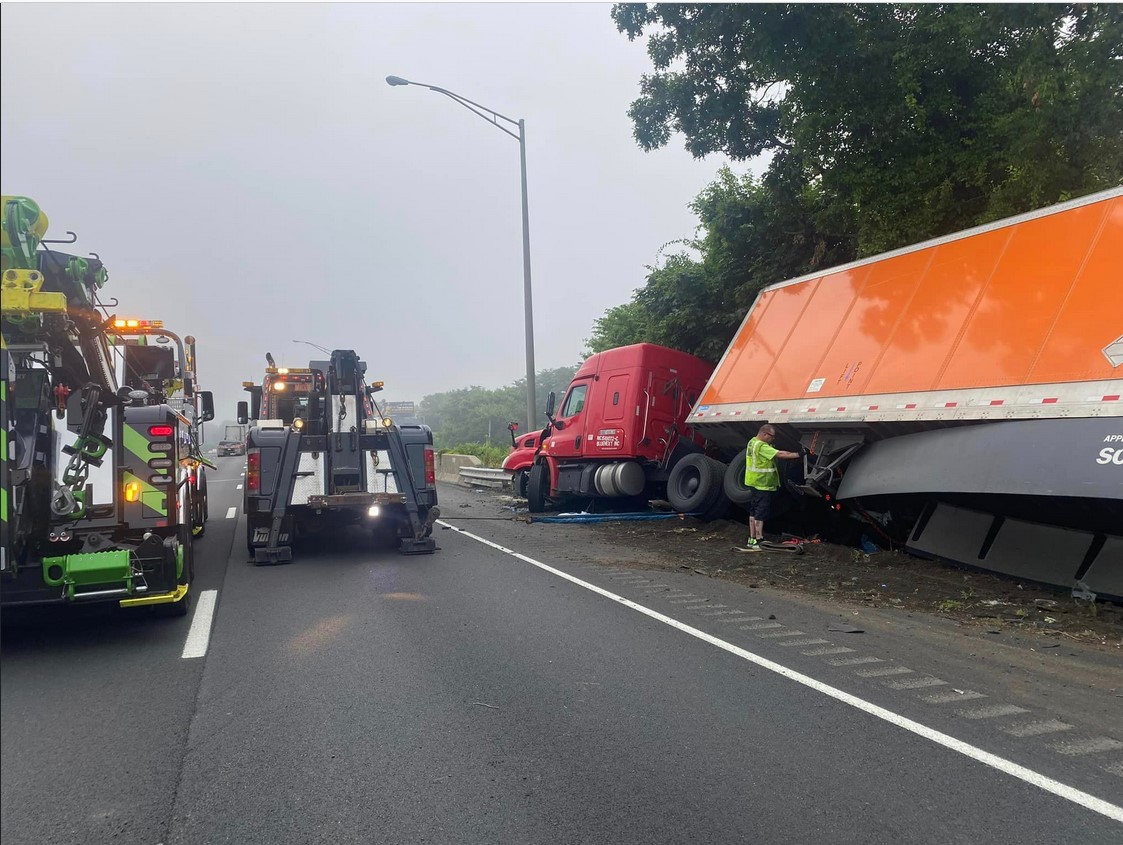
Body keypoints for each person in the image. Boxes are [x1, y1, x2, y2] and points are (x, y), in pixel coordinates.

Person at [739, 424, 801, 551]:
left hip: (753, 481)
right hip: (762, 484)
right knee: (761, 512)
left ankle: (752, 539)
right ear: (765, 434)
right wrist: (799, 454)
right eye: (772, 437)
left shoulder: (752, 442)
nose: (773, 439)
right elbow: (781, 454)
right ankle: (759, 539)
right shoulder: (761, 446)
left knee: (753, 510)